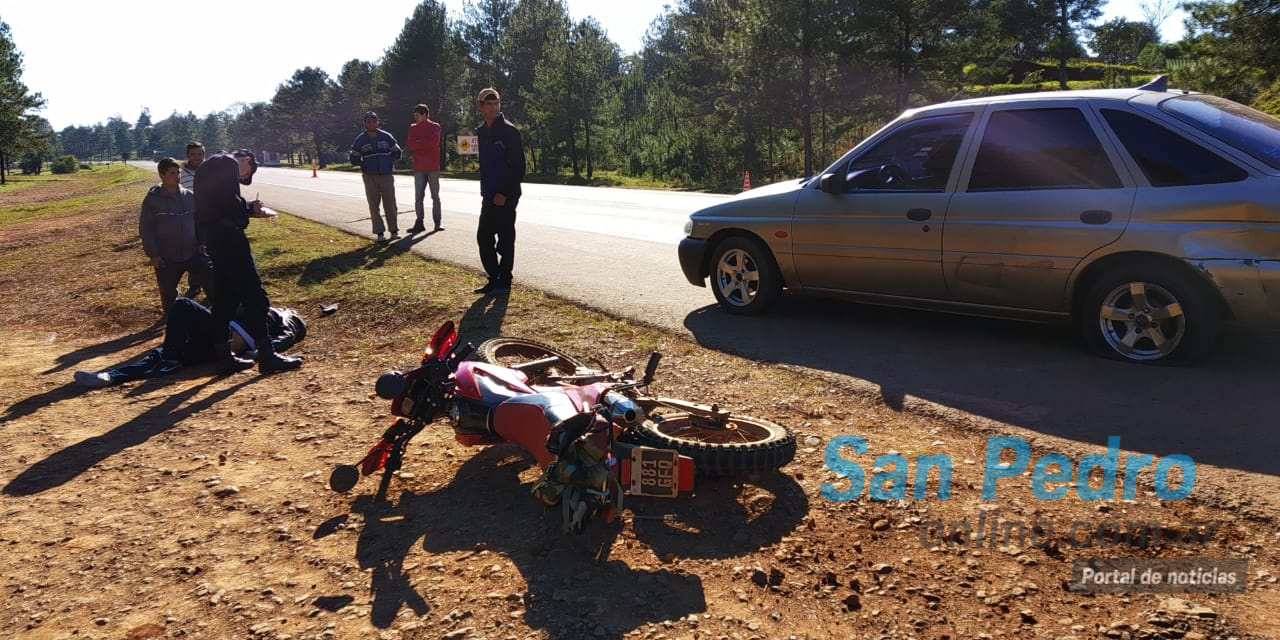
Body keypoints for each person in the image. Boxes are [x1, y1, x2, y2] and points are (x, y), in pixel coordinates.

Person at [194, 149, 303, 375]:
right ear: (246, 160)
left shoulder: (208, 166)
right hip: (230, 241)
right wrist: (249, 208)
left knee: (226, 299)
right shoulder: (227, 164)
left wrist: (246, 208)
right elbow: (227, 202)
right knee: (256, 296)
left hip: (215, 239)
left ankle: (224, 357)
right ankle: (267, 354)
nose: (241, 178)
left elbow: (216, 205)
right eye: (245, 174)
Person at [73, 298, 307, 388]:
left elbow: (287, 335)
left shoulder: (285, 316)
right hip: (216, 330)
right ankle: (111, 376)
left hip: (224, 344)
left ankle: (119, 374)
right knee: (179, 314)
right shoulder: (246, 299)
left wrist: (257, 353)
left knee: (169, 345)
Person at [140, 157, 213, 315]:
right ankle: (172, 322)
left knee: (211, 279)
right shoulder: (152, 201)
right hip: (167, 258)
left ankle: (217, 315)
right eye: (172, 173)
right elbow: (146, 229)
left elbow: (200, 222)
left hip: (192, 252)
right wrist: (153, 254)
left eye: (178, 172)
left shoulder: (190, 196)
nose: (177, 176)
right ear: (162, 175)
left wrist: (202, 242)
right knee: (168, 294)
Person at [473, 88, 525, 295]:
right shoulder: (482, 132)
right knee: (484, 237)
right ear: (480, 106)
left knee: (505, 238)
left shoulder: (509, 131)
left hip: (506, 194)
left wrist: (505, 192)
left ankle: (504, 281)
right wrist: (487, 190)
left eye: (496, 103)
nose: (494, 107)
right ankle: (493, 279)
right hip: (489, 194)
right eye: (489, 104)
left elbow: (519, 166)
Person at [349, 111, 403, 243]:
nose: (371, 123)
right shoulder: (360, 139)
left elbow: (397, 152)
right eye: (368, 121)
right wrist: (364, 165)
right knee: (374, 205)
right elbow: (354, 157)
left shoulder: (386, 136)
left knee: (390, 203)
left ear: (377, 122)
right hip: (369, 177)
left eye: (374, 121)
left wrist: (389, 162)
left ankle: (394, 230)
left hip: (386, 176)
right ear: (365, 123)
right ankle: (379, 233)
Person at [406, 103, 443, 234]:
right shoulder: (412, 128)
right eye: (414, 115)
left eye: (418, 115)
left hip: (433, 167)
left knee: (435, 196)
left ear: (425, 115)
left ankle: (437, 223)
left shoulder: (435, 127)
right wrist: (424, 142)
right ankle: (419, 222)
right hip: (419, 167)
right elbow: (410, 145)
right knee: (418, 197)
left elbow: (434, 142)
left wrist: (419, 143)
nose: (415, 118)